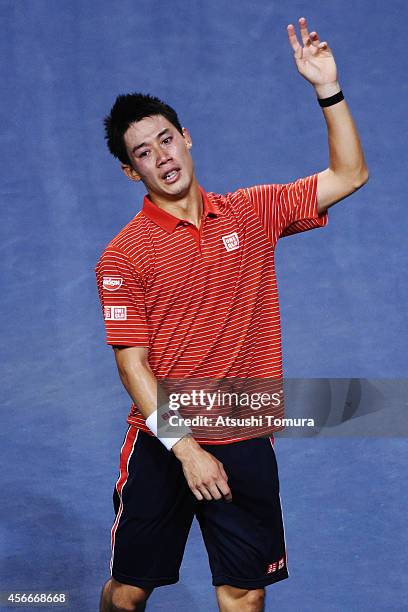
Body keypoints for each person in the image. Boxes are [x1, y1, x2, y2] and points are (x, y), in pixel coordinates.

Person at [96, 16, 368, 612]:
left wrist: (328, 88)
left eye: (166, 139)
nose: (161, 157)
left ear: (186, 137)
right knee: (128, 595)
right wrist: (187, 449)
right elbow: (132, 365)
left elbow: (350, 174)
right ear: (130, 170)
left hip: (245, 435)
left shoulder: (252, 212)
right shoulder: (124, 254)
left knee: (242, 595)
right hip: (164, 443)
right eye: (143, 153)